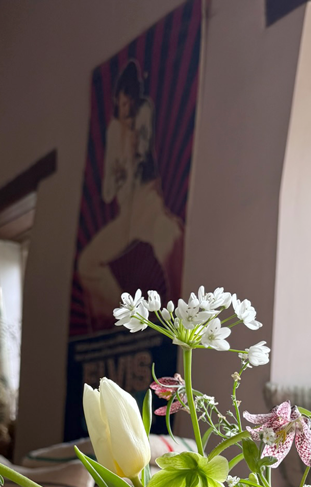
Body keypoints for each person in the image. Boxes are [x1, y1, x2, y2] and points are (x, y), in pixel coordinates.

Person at [78, 61, 183, 330]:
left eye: (129, 104)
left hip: (148, 201)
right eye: (121, 105)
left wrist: (137, 144)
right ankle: (128, 317)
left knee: (170, 243)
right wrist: (117, 175)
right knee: (87, 263)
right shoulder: (114, 130)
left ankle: (180, 324)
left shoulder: (143, 114)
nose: (126, 110)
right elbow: (107, 193)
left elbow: (146, 153)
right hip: (127, 214)